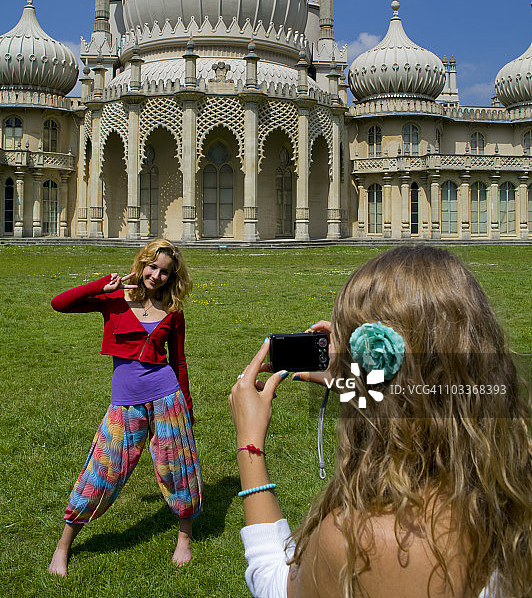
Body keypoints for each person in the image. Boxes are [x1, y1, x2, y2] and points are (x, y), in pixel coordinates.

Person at [230, 246, 532, 598]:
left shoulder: (370, 539)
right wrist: (357, 381)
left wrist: (249, 443)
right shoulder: (513, 480)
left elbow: (274, 584)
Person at [48, 239, 203, 577]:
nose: (157, 276)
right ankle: (63, 546)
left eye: (165, 271)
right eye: (153, 267)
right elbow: (59, 303)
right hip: (125, 402)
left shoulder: (173, 309)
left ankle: (184, 538)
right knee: (102, 471)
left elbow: (180, 362)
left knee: (179, 470)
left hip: (167, 398)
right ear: (142, 263)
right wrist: (101, 285)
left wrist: (187, 408)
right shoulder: (115, 299)